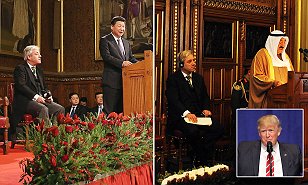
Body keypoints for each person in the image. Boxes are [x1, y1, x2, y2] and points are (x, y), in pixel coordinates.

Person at [166, 50, 224, 165]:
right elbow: (174, 101)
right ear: (182, 64)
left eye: (194, 60)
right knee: (193, 131)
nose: (193, 63)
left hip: (199, 115)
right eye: (190, 61)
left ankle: (198, 153)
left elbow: (205, 97)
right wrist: (186, 113)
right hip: (181, 117)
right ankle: (201, 160)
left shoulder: (198, 78)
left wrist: (206, 108)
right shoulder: (173, 79)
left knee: (219, 128)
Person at [11, 45, 65, 136]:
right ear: (29, 57)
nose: (40, 56)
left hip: (40, 100)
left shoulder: (39, 70)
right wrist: (36, 97)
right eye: (37, 54)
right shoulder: (21, 69)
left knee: (59, 109)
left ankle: (56, 135)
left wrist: (48, 95)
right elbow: (21, 86)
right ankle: (46, 137)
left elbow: (44, 87)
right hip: (25, 101)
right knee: (43, 109)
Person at [237, 114, 302, 177]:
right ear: (259, 133)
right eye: (263, 131)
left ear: (279, 131)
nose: (267, 135)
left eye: (271, 130)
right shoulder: (243, 149)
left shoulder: (294, 151)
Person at [99, 16, 138, 114]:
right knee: (109, 111)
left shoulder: (126, 42)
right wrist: (122, 63)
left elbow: (130, 58)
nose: (122, 29)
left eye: (123, 26)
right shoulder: (105, 40)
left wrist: (140, 64)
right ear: (112, 27)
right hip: (111, 82)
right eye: (119, 26)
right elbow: (107, 57)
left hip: (126, 82)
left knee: (122, 112)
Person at [249, 30, 294, 108]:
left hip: (285, 98)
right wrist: (273, 82)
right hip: (269, 98)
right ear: (273, 42)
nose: (282, 44)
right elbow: (256, 76)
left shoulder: (285, 58)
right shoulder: (262, 54)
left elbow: (292, 76)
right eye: (280, 41)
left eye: (284, 41)